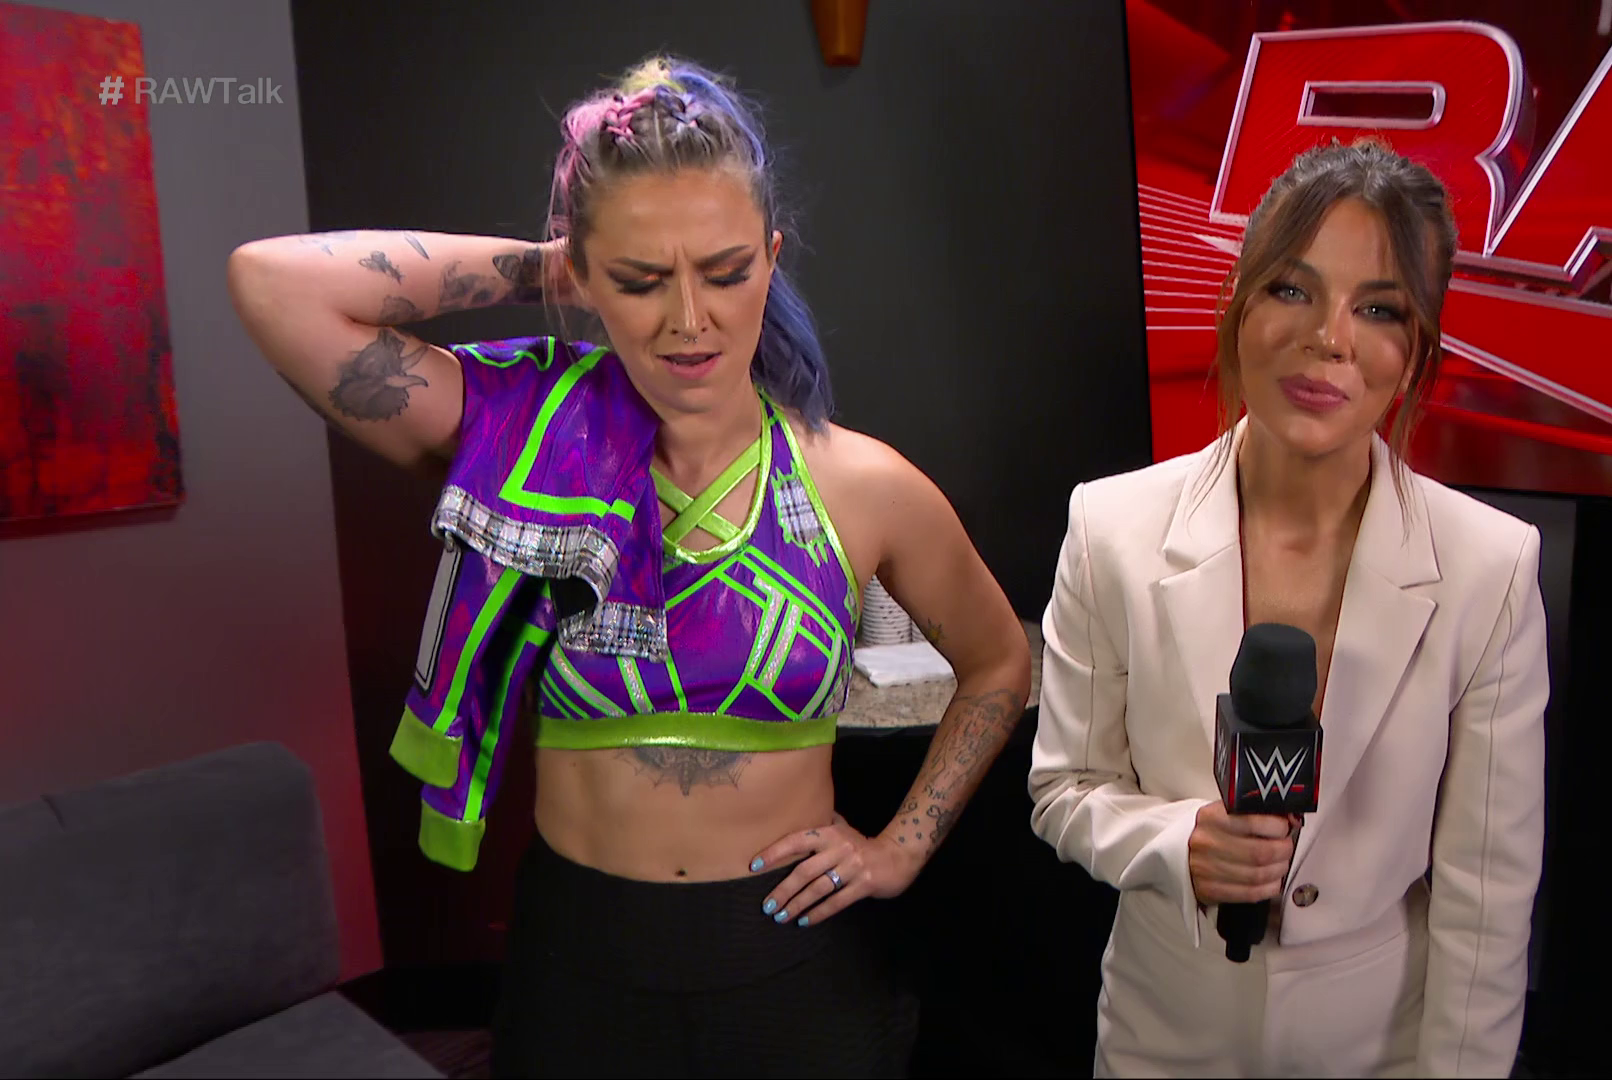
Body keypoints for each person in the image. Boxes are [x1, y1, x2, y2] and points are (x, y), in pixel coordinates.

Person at [228, 55, 1033, 1078]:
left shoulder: (864, 485)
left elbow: (999, 663)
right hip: (581, 964)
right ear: (587, 276)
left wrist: (901, 846)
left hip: (792, 961)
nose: (688, 320)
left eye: (726, 272)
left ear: (772, 260)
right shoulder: (516, 439)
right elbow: (273, 285)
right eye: (640, 280)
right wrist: (545, 265)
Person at [1028, 137, 1549, 1078]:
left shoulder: (1489, 568)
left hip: (1380, 1053)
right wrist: (1180, 841)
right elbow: (1066, 790)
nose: (1329, 339)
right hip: (1161, 1042)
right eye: (1292, 290)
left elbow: (1487, 898)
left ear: (1416, 352)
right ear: (1235, 304)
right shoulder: (1111, 527)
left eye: (1378, 308)